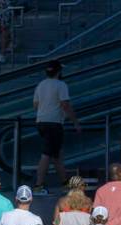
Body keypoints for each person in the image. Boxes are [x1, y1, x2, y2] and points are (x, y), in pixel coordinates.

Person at [32, 60, 80, 193]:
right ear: (59, 72)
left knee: (56, 154)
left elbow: (35, 105)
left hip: (41, 121)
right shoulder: (61, 85)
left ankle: (65, 182)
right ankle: (38, 185)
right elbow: (65, 104)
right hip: (54, 123)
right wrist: (75, 122)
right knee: (47, 154)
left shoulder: (40, 85)